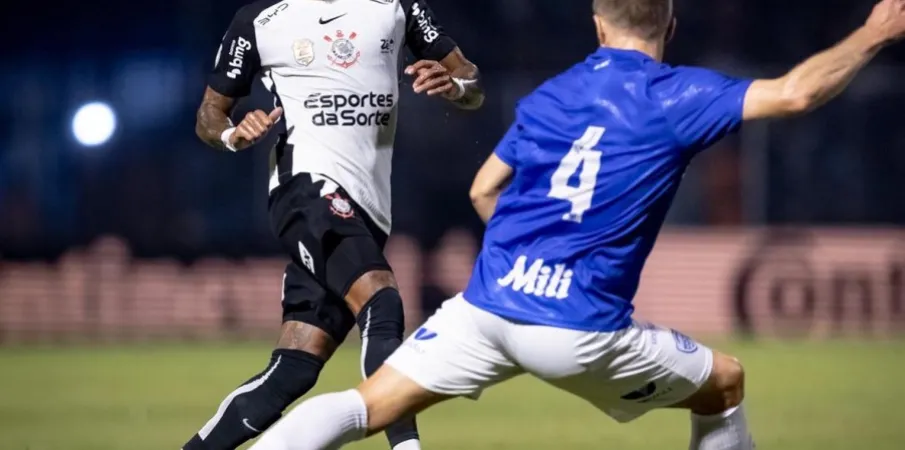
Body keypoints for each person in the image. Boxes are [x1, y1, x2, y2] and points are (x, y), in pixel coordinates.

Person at [246, 0, 905, 449]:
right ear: (668, 24)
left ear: (596, 25)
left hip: (484, 309)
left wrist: (531, 255)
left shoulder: (550, 95)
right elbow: (795, 92)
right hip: (576, 330)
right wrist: (873, 33)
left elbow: (483, 189)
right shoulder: (676, 96)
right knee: (725, 381)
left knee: (365, 406)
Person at [183, 0, 484, 449]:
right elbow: (209, 114)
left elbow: (473, 82)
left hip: (368, 208)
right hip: (304, 190)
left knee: (294, 369)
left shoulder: (397, 7)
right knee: (381, 300)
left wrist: (457, 87)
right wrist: (230, 134)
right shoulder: (261, 19)